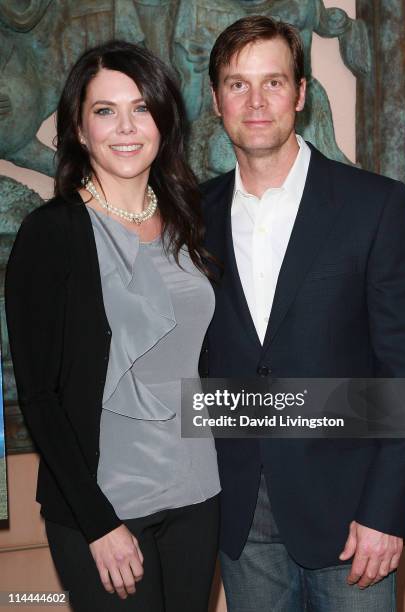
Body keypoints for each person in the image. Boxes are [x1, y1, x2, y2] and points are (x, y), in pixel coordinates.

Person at [200, 15, 405, 611]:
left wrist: (386, 511)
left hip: (353, 519)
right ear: (217, 99)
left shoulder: (374, 206)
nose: (255, 102)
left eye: (273, 82)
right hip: (240, 516)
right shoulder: (191, 216)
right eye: (237, 84)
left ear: (301, 94)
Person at [5, 40, 220, 612]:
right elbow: (40, 397)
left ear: (164, 121)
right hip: (104, 510)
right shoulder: (51, 235)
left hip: (199, 495)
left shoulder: (190, 221)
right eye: (105, 111)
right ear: (79, 128)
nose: (125, 127)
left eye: (141, 108)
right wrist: (98, 524)